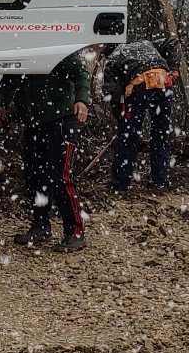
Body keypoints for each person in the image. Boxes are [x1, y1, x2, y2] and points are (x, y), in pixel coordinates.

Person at [12, 47, 91, 252]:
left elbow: (80, 73)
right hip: (34, 122)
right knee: (35, 175)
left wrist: (82, 100)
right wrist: (4, 104)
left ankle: (75, 232)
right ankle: (40, 226)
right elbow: (11, 78)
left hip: (61, 120)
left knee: (60, 177)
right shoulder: (21, 48)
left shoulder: (58, 47)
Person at [105, 37, 177, 193]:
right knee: (161, 134)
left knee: (128, 136)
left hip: (139, 85)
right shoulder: (146, 43)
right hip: (164, 81)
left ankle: (120, 183)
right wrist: (172, 67)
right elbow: (170, 42)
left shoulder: (112, 59)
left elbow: (113, 93)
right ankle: (159, 181)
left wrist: (120, 115)